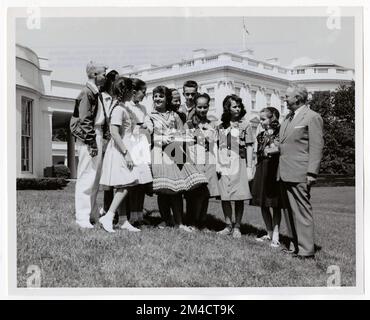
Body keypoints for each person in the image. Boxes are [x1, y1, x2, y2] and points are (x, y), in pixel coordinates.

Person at [150, 85, 207, 232]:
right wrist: (162, 138)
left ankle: (179, 222)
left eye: (161, 96)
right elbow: (146, 137)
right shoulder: (149, 116)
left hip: (175, 152)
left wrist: (175, 136)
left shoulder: (174, 115)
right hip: (158, 153)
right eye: (155, 96)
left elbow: (184, 133)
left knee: (177, 189)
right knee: (163, 190)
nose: (157, 99)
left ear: (167, 99)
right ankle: (166, 220)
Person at [278, 84, 324, 259]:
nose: (285, 98)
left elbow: (317, 146)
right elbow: (285, 143)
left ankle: (306, 250)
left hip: (300, 172)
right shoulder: (288, 118)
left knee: (302, 211)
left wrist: (312, 172)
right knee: (289, 211)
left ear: (297, 98)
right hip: (284, 172)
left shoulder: (312, 117)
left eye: (287, 96)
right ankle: (295, 245)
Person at [99, 76, 145, 233]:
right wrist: (126, 153)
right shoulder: (118, 109)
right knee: (125, 185)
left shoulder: (124, 108)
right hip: (119, 151)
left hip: (125, 150)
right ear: (124, 91)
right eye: (130, 89)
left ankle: (123, 220)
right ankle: (109, 216)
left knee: (125, 184)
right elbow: (114, 132)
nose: (133, 92)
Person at [70, 61, 107, 229]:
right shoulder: (87, 92)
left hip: (96, 134)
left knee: (95, 177)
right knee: (87, 176)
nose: (105, 77)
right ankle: (82, 216)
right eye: (103, 74)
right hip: (90, 136)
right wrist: (91, 141)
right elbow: (85, 120)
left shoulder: (96, 92)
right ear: (94, 75)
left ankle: (91, 213)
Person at [216, 94, 254, 238]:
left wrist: (250, 167)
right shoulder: (220, 126)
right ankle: (227, 225)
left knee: (238, 196)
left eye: (239, 106)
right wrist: (217, 164)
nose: (237, 109)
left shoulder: (246, 125)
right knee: (225, 196)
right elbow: (217, 146)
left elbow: (250, 146)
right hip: (224, 163)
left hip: (240, 162)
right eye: (234, 106)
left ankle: (237, 226)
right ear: (227, 108)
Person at [184, 93, 219, 231]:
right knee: (194, 193)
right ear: (195, 107)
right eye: (199, 107)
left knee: (206, 194)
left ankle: (202, 221)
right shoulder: (189, 124)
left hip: (209, 160)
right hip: (194, 160)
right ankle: (192, 221)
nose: (202, 110)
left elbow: (215, 143)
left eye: (205, 107)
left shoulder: (212, 124)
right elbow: (185, 144)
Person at [251, 107, 283, 247]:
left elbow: (281, 149)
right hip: (261, 169)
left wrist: (271, 149)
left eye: (263, 119)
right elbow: (258, 154)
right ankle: (269, 232)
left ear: (272, 119)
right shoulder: (260, 135)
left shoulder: (280, 133)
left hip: (274, 170)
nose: (261, 122)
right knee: (263, 203)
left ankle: (276, 235)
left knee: (275, 204)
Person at [124, 78, 153, 228]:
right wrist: (140, 127)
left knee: (142, 182)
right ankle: (131, 215)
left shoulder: (143, 108)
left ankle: (139, 214)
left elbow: (149, 125)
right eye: (143, 92)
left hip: (142, 147)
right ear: (134, 92)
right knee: (132, 182)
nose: (144, 96)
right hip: (131, 147)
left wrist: (144, 127)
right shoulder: (125, 106)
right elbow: (128, 127)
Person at [97, 69, 120, 225]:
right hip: (104, 139)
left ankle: (115, 210)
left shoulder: (118, 100)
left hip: (116, 140)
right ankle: (105, 209)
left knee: (117, 176)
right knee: (107, 178)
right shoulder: (101, 97)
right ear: (111, 82)